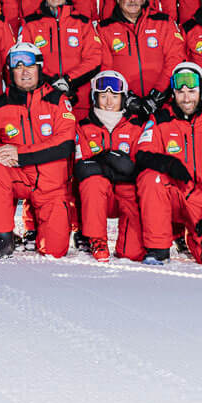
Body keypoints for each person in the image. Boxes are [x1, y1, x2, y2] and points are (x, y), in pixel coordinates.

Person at [0, 43, 78, 258]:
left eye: (29, 66)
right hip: (17, 176)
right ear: (10, 71)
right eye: (17, 66)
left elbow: (65, 144)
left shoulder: (57, 100)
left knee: (54, 250)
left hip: (50, 183)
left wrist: (20, 154)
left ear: (39, 68)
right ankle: (2, 237)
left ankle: (38, 228)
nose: (24, 72)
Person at [131, 61, 202, 266]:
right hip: (173, 193)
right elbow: (142, 153)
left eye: (192, 91)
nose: (186, 98)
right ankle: (158, 248)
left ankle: (193, 235)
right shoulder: (160, 120)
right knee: (152, 177)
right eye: (181, 92)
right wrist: (167, 163)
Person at [71, 69, 147, 261]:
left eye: (115, 96)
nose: (109, 101)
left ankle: (131, 241)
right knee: (93, 182)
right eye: (103, 96)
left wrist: (103, 162)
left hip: (127, 194)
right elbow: (83, 167)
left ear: (124, 98)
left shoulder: (137, 127)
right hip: (98, 196)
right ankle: (96, 239)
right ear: (94, 97)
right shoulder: (84, 127)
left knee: (132, 253)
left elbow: (140, 166)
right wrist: (116, 162)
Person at [14, 0, 103, 112]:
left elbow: (94, 59)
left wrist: (68, 80)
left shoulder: (82, 22)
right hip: (44, 101)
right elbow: (23, 60)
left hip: (79, 101)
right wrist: (53, 82)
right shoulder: (31, 24)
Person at [97, 0, 186, 112]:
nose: (132, 0)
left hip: (164, 104)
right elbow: (105, 68)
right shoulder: (105, 28)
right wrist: (125, 96)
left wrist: (158, 94)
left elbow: (175, 58)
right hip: (124, 107)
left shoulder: (162, 22)